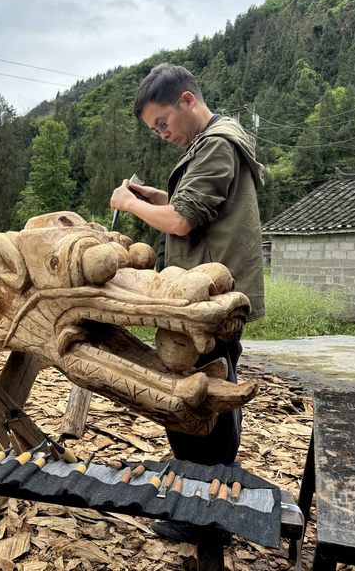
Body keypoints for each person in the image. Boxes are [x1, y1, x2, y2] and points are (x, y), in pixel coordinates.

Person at [110, 62, 265, 469]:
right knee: (215, 383)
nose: (163, 134)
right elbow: (193, 209)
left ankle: (202, 490)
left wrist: (131, 204)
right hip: (208, 295)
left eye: (163, 123)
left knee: (198, 390)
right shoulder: (213, 142)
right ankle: (211, 479)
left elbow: (182, 221)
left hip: (207, 298)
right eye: (155, 130)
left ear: (187, 100)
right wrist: (157, 198)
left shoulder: (216, 144)